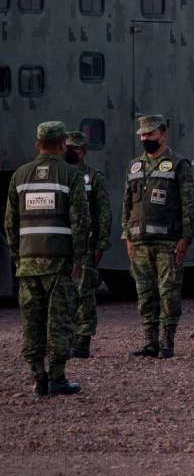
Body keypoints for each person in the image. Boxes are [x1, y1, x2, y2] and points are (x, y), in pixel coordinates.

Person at [5, 122, 90, 396]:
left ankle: (37, 376)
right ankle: (57, 376)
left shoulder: (20, 176)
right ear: (63, 145)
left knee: (32, 320)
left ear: (37, 143)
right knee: (59, 319)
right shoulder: (70, 175)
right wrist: (79, 258)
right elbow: (80, 221)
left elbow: (10, 223)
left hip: (28, 261)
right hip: (58, 262)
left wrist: (18, 257)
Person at [123, 115, 194, 359]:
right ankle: (150, 341)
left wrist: (186, 237)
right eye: (142, 135)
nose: (146, 139)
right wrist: (128, 238)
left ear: (162, 134)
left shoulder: (178, 164)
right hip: (140, 242)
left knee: (168, 292)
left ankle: (167, 341)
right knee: (145, 294)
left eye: (150, 134)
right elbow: (127, 205)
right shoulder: (135, 166)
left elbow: (188, 203)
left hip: (168, 241)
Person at [64, 131, 111, 359]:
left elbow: (103, 212)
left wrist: (101, 243)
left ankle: (83, 341)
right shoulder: (59, 175)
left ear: (82, 152)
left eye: (73, 149)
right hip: (63, 246)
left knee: (85, 295)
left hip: (86, 247)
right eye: (66, 148)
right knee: (65, 295)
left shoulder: (93, 177)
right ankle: (67, 338)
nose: (68, 152)